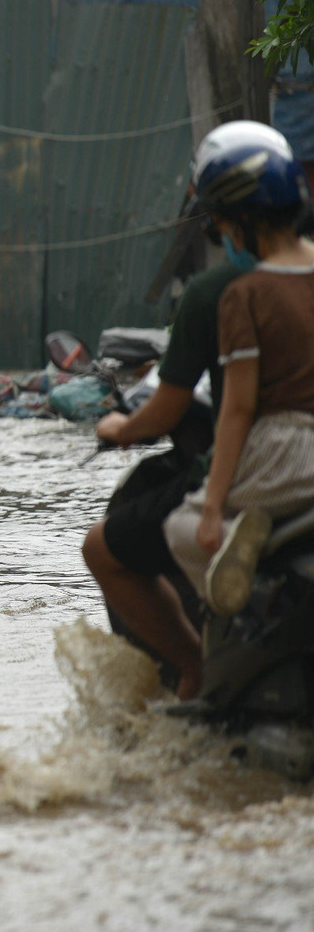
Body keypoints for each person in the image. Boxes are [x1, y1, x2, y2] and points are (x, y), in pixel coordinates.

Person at [81, 121, 281, 698]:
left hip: (251, 470)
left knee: (103, 546)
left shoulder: (222, 292)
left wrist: (121, 427)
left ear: (222, 215)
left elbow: (216, 410)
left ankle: (195, 668)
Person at [162, 131, 314, 616]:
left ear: (244, 223)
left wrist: (211, 509)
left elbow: (239, 408)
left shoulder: (243, 297)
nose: (225, 237)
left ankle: (254, 607)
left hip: (285, 458)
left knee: (180, 527)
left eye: (224, 226)